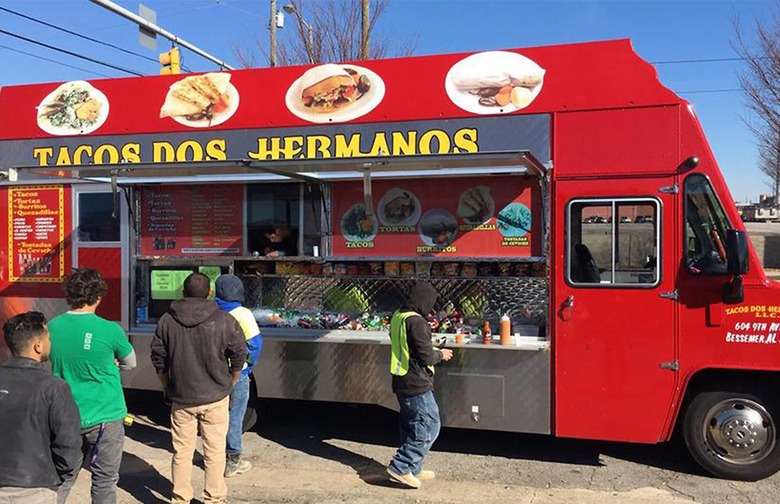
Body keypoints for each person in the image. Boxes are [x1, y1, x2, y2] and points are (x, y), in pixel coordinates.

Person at [151, 272, 247, 504]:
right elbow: (240, 353)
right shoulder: (224, 320)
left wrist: (167, 385)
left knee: (182, 453)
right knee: (214, 452)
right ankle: (214, 498)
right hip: (215, 397)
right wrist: (232, 381)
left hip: (181, 398)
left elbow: (158, 358)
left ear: (183, 293)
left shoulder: (167, 320)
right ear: (209, 293)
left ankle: (180, 498)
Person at [49, 268, 136, 504]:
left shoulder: (52, 327)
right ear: (98, 296)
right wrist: (112, 363)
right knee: (105, 480)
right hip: (106, 416)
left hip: (65, 415)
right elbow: (131, 363)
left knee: (63, 477)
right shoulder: (110, 330)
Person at [0, 312, 82, 504]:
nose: (50, 344)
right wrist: (57, 474)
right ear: (38, 345)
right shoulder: (54, 387)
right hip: (35, 488)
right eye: (49, 339)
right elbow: (68, 444)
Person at [386, 281, 453, 489]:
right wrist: (441, 354)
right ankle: (401, 466)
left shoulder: (399, 316)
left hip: (401, 379)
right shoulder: (417, 322)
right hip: (417, 382)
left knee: (411, 425)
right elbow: (426, 356)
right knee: (430, 424)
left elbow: (408, 345)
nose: (430, 308)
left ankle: (414, 467)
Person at [214, 274, 263, 477]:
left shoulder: (211, 310)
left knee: (214, 414)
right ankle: (232, 460)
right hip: (237, 372)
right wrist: (248, 364)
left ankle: (213, 456)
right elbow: (255, 344)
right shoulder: (242, 313)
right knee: (235, 415)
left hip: (213, 371)